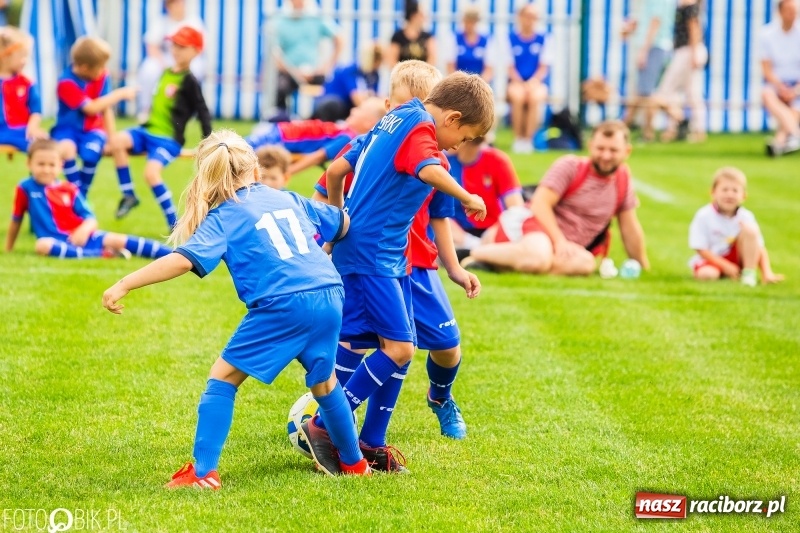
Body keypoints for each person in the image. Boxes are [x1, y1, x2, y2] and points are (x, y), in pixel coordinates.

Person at [101, 130, 371, 486]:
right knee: (324, 383)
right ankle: (355, 465)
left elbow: (182, 260)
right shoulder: (287, 197)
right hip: (329, 293)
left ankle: (203, 474)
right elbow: (343, 224)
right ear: (255, 168)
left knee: (223, 377)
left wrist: (124, 283)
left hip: (283, 302)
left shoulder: (225, 215)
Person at [308, 71, 492, 473]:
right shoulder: (421, 128)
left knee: (396, 346)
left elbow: (336, 171)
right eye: (464, 137)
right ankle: (324, 425)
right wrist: (467, 196)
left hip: (380, 255)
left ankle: (371, 443)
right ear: (452, 118)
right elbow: (427, 169)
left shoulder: (391, 119)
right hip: (373, 255)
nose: (458, 147)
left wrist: (338, 223)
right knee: (400, 349)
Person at [465, 120, 650, 276]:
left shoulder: (622, 180)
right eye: (600, 148)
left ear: (627, 151)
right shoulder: (571, 166)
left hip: (566, 246)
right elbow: (539, 205)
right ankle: (470, 253)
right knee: (538, 258)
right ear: (590, 145)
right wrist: (559, 241)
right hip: (536, 227)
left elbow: (629, 227)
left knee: (586, 263)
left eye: (613, 150)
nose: (606, 156)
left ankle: (499, 263)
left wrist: (642, 265)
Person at [112, 26, 212, 230]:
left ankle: (174, 223)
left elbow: (203, 111)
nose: (176, 50)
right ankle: (129, 194)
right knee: (116, 141)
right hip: (147, 131)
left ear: (196, 51)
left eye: (182, 46)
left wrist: (208, 142)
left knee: (151, 173)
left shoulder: (190, 81)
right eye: (174, 45)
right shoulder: (165, 72)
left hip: (168, 140)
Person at [6, 139, 171, 260]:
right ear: (29, 163)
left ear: (60, 165)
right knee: (42, 245)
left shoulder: (70, 189)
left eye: (51, 165)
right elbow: (16, 219)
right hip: (54, 241)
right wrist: (9, 248)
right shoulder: (25, 188)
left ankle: (174, 254)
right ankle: (103, 254)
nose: (46, 169)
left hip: (84, 236)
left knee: (119, 239)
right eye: (41, 164)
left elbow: (90, 218)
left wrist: (83, 231)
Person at [51, 36, 136, 197]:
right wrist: (120, 94)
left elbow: (105, 108)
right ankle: (78, 196)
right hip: (67, 129)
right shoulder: (66, 82)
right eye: (101, 66)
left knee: (91, 154)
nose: (104, 69)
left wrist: (111, 138)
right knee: (67, 149)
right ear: (84, 68)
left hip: (93, 131)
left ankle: (80, 196)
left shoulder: (102, 76)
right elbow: (91, 108)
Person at [689, 167, 783, 287]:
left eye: (735, 190)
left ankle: (748, 275)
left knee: (751, 230)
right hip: (713, 259)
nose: (730, 194)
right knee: (707, 275)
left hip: (739, 256)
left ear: (744, 196)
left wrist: (767, 272)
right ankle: (729, 273)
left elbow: (759, 247)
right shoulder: (704, 215)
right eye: (725, 190)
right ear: (713, 192)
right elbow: (700, 248)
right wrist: (725, 266)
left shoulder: (746, 216)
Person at [447, 137, 524, 253]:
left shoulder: (497, 160)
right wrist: (468, 241)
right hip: (456, 233)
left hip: (493, 232)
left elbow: (516, 209)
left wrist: (495, 233)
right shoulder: (442, 162)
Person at [271, 0, 342, 115]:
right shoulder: (280, 20)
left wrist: (326, 66)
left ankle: (319, 120)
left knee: (329, 94)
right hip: (288, 72)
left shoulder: (316, 17)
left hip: (315, 72)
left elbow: (340, 39)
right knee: (280, 88)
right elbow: (273, 52)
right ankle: (280, 120)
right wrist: (293, 72)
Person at [136, 0, 205, 117]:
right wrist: (164, 64)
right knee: (149, 69)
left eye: (180, 3)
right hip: (166, 58)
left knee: (196, 69)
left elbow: (200, 48)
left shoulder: (194, 21)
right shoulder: (161, 21)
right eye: (175, 4)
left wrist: (183, 63)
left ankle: (190, 111)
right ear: (168, 6)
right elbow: (152, 47)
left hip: (188, 59)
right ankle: (146, 108)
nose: (179, 6)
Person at [284, 97, 386, 175]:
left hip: (284, 138)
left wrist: (287, 172)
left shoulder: (349, 138)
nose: (353, 110)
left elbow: (318, 157)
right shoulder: (346, 131)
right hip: (285, 135)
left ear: (368, 123)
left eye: (359, 109)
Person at [621, 0, 676, 141]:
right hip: (657, 47)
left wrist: (644, 50)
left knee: (646, 93)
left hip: (654, 47)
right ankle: (634, 129)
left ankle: (649, 131)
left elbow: (655, 22)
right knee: (646, 92)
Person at [653, 0, 707, 143]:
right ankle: (689, 128)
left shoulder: (689, 7)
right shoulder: (687, 7)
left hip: (687, 51)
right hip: (688, 51)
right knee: (690, 92)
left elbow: (694, 29)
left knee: (666, 91)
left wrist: (694, 53)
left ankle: (680, 125)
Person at [506, 3, 553, 154]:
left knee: (535, 97)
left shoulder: (544, 38)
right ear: (520, 17)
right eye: (527, 16)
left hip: (537, 82)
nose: (530, 20)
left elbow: (543, 67)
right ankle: (518, 138)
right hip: (516, 81)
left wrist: (533, 82)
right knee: (517, 96)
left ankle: (528, 139)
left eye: (533, 17)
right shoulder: (510, 38)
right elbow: (510, 67)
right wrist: (521, 83)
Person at [760, 0, 800, 157]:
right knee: (766, 94)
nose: (793, 13)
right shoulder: (767, 34)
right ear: (780, 12)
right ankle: (795, 135)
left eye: (794, 10)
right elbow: (766, 69)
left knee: (795, 109)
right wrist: (781, 87)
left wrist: (795, 90)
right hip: (777, 83)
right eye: (789, 10)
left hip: (797, 84)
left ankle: (779, 143)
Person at [0, 26, 47, 151]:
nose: (25, 61)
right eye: (22, 56)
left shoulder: (27, 83)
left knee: (45, 145)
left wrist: (33, 128)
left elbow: (36, 110)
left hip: (21, 132)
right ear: (5, 56)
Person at [312, 43, 383, 123]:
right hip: (333, 104)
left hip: (346, 106)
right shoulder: (352, 70)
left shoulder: (373, 75)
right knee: (334, 104)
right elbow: (358, 99)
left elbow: (373, 98)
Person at [445, 5, 493, 82]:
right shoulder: (454, 38)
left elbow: (489, 70)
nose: (470, 25)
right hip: (458, 81)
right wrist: (460, 83)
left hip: (480, 82)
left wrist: (479, 83)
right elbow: (450, 67)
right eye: (467, 21)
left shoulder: (486, 40)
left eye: (472, 21)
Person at [388, 1, 436, 67]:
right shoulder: (398, 37)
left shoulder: (428, 37)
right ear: (413, 16)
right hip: (403, 73)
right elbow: (392, 61)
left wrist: (421, 71)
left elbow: (432, 60)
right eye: (421, 15)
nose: (424, 18)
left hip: (423, 72)